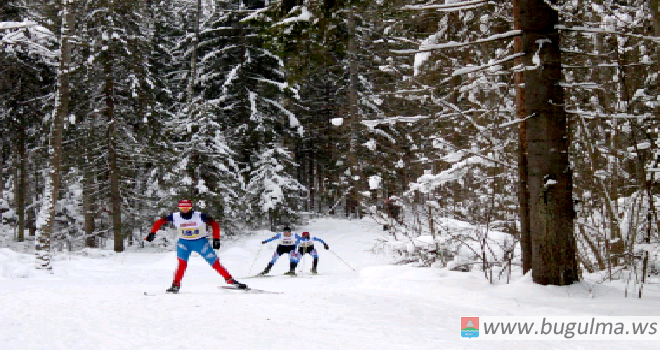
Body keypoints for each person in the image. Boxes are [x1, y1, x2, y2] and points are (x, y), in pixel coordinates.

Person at [146, 199, 247, 293]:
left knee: (215, 262)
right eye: (182, 209)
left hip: (200, 242)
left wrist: (216, 239)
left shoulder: (199, 216)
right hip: (184, 243)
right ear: (179, 209)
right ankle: (175, 285)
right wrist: (152, 233)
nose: (184, 211)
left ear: (190, 208)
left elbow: (214, 224)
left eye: (187, 208)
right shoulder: (175, 216)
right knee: (182, 264)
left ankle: (230, 280)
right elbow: (159, 221)